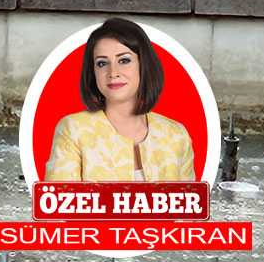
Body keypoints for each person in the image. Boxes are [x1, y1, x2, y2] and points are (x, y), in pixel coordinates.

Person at [44, 18, 194, 182]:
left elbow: (190, 205)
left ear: (144, 65)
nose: (113, 72)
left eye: (124, 60)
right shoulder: (73, 130)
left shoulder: (176, 135)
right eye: (102, 63)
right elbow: (60, 204)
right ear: (92, 72)